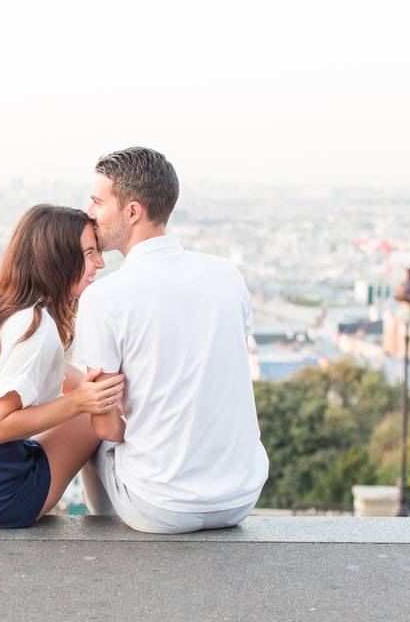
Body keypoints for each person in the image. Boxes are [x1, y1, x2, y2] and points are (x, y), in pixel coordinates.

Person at [75, 147, 269, 534]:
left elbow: (108, 428)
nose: (90, 213)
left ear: (132, 212)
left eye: (97, 201)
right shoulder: (226, 274)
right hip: (240, 498)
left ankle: (105, 530)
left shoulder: (106, 296)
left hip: (159, 507)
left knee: (84, 422)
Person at [0, 204, 125, 528]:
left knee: (92, 406)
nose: (100, 263)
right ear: (57, 259)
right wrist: (80, 403)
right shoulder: (35, 327)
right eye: (89, 253)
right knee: (94, 420)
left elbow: (49, 371)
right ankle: (108, 521)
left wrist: (89, 388)